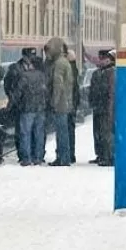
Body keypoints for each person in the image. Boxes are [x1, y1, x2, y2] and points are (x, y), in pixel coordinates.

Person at [4, 48, 49, 165]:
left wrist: (11, 102)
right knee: (38, 132)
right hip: (39, 107)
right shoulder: (41, 74)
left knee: (25, 133)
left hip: (27, 107)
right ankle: (38, 157)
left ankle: (26, 158)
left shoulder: (23, 75)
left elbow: (17, 90)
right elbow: (46, 90)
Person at [45, 37, 75, 166]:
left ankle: (63, 158)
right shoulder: (65, 62)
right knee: (64, 131)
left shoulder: (59, 64)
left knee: (61, 132)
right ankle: (64, 157)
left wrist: (54, 101)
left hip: (61, 103)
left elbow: (58, 85)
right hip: (66, 101)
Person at [88, 50, 116, 166]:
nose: (102, 61)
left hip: (105, 107)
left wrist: (110, 107)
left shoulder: (111, 73)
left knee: (106, 133)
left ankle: (107, 156)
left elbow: (111, 92)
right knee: (98, 132)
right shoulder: (98, 73)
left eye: (104, 59)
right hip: (98, 106)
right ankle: (100, 154)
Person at [64, 45, 80, 165]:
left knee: (67, 130)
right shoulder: (74, 70)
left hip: (68, 105)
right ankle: (70, 154)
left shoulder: (69, 71)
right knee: (70, 129)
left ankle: (68, 154)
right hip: (72, 104)